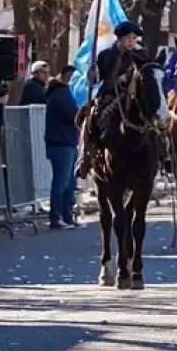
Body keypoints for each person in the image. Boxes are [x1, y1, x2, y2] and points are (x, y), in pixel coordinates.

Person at [75, 21, 149, 178]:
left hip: (135, 98)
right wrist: (92, 74)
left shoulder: (141, 56)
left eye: (134, 38)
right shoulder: (106, 55)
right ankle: (85, 156)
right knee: (89, 118)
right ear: (119, 39)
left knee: (154, 119)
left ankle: (163, 154)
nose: (131, 42)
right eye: (128, 38)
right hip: (110, 97)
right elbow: (96, 78)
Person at [44, 65, 80, 229]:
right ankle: (56, 217)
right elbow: (74, 115)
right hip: (61, 143)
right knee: (62, 182)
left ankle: (66, 216)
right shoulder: (61, 94)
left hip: (66, 142)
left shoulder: (61, 93)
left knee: (69, 182)